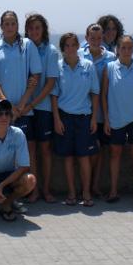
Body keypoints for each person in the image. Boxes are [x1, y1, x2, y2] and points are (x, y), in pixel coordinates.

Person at [0, 11, 42, 188]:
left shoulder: (28, 45)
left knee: (29, 149)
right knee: (1, 152)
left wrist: (22, 104)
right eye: (6, 24)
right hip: (2, 110)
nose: (10, 27)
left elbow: (35, 76)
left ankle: (31, 190)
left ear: (17, 26)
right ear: (1, 26)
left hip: (23, 110)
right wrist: (8, 104)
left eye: (13, 23)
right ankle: (3, 190)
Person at [101, 35, 133, 206]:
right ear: (117, 49)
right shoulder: (109, 68)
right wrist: (106, 119)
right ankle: (113, 191)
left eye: (130, 47)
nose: (127, 51)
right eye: (123, 47)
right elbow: (103, 95)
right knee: (115, 155)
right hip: (115, 119)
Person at [52, 33, 100, 206]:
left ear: (78, 46)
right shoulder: (57, 67)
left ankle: (86, 193)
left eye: (73, 45)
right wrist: (57, 120)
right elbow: (54, 96)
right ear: (62, 48)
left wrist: (94, 118)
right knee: (68, 157)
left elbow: (95, 93)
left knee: (84, 157)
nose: (70, 48)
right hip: (64, 117)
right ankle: (72, 193)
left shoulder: (88, 66)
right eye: (67, 45)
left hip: (84, 118)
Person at [23, 13, 59, 203]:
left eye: (38, 27)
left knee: (45, 150)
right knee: (30, 150)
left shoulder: (51, 51)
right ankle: (34, 189)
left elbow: (50, 83)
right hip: (25, 109)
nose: (34, 31)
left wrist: (32, 104)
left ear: (43, 29)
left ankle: (46, 189)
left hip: (42, 108)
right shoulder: (23, 48)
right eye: (31, 28)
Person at [78, 23, 116, 197]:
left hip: (103, 112)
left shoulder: (111, 57)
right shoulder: (79, 55)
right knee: (86, 151)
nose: (96, 40)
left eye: (99, 37)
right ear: (86, 38)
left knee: (99, 151)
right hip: (83, 111)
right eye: (92, 38)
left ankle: (94, 186)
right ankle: (85, 187)